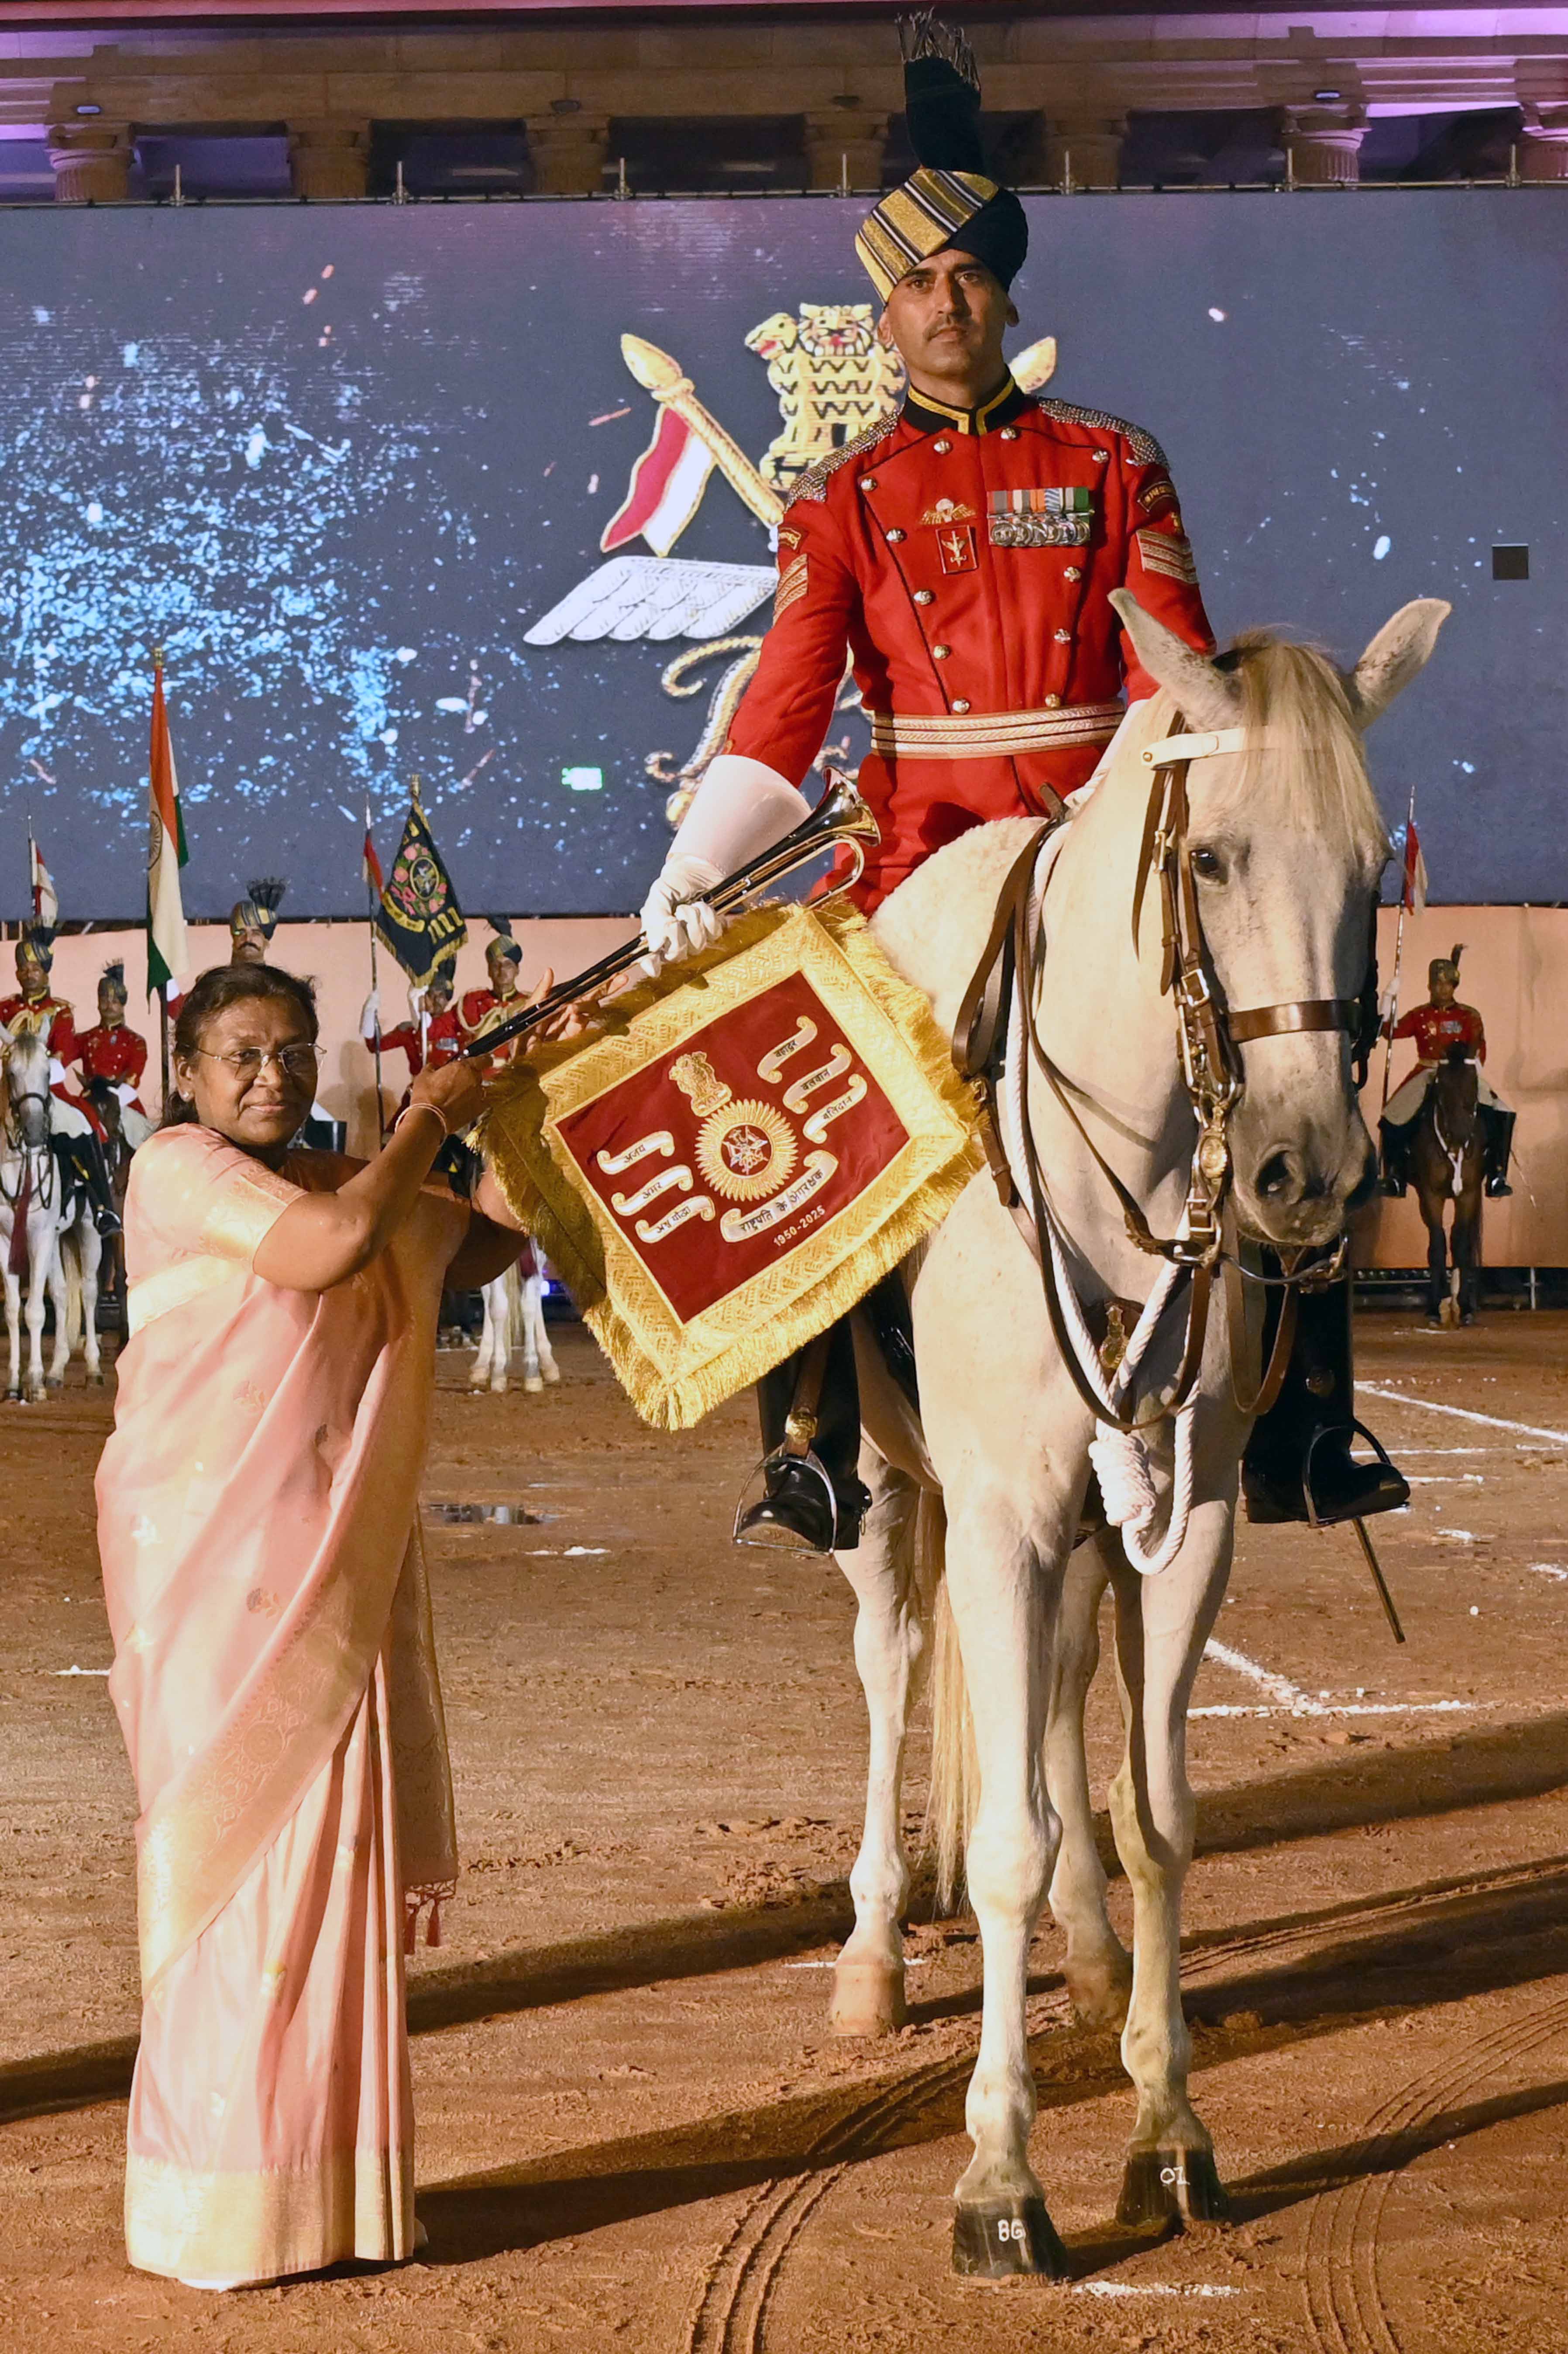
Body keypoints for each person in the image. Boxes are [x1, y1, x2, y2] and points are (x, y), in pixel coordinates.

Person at [636, 14, 1404, 1546]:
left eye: (969, 277)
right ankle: (817, 1428)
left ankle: (1306, 1420)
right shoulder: (840, 500)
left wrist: (1140, 822)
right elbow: (790, 702)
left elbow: (1171, 674)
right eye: (916, 283)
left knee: (1284, 1052)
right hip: (920, 849)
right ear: (884, 310)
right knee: (799, 1083)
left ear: (1004, 292)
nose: (945, 305)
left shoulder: (1116, 463)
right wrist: (690, 867)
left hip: (1100, 835)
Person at [97, 959, 532, 2289]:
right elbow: (332, 1253)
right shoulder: (182, 1168)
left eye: (292, 1051)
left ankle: (324, 2200)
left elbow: (497, 1242)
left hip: (325, 1577)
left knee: (324, 1875)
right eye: (241, 1053)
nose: (271, 1076)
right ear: (186, 1070)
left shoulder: (340, 1177)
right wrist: (428, 1124)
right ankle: (218, 2212)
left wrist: (517, 1111)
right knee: (240, 1876)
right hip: (215, 1592)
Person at [0, 926, 121, 1233]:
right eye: (23, 968)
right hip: (8, 1090)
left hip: (48, 1091)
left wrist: (36, 1073)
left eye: (36, 968)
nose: (29, 974)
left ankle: (104, 1208)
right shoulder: (5, 1008)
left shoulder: (60, 1012)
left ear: (47, 972)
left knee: (84, 1122)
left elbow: (63, 1056)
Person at [1379, 947, 1514, 1198]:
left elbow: (1478, 1047)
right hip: (1427, 1071)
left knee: (1503, 1112)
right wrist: (1387, 999)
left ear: (1455, 987)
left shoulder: (1468, 1016)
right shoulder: (1420, 1015)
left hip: (1460, 1075)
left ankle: (1497, 1174)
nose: (1442, 990)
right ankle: (1395, 1176)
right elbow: (1389, 1032)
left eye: (1447, 985)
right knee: (1392, 1116)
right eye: (1437, 984)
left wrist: (1467, 1071)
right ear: (1429, 986)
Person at [70, 961, 151, 1136]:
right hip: (90, 1100)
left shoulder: (135, 1042)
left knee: (144, 1141)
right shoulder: (86, 1038)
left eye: (115, 1001)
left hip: (123, 1100)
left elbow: (132, 1081)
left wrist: (112, 1102)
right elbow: (62, 1055)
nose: (109, 1005)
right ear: (98, 1003)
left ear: (123, 1005)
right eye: (104, 999)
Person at [460, 928, 530, 1064]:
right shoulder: (472, 1002)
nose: (502, 970)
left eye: (508, 965)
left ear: (517, 970)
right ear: (489, 970)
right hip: (479, 1077)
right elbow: (442, 1029)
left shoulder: (528, 1003)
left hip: (515, 1078)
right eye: (496, 965)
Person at [229, 878, 287, 965]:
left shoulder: (277, 978)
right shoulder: (216, 978)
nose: (248, 939)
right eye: (241, 933)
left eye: (256, 933)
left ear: (266, 943)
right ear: (234, 942)